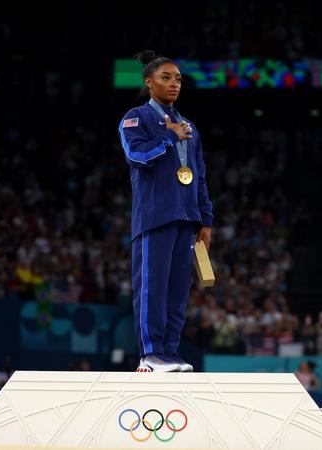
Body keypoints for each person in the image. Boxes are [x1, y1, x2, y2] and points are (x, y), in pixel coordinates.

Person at [118, 51, 213, 372]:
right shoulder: (136, 118)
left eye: (178, 79)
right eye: (166, 78)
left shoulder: (190, 126)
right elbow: (137, 156)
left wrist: (206, 220)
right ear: (149, 82)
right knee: (152, 287)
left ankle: (170, 352)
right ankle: (150, 354)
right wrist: (169, 136)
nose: (174, 84)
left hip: (186, 219)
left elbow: (198, 175)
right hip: (155, 216)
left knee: (176, 291)